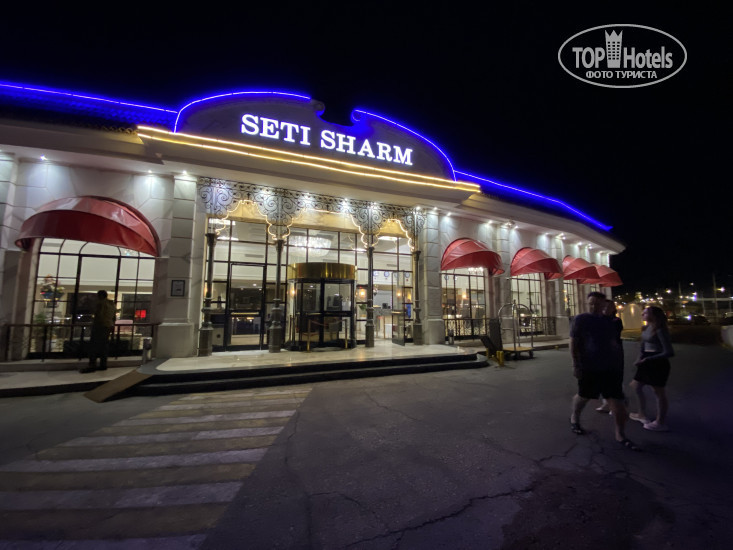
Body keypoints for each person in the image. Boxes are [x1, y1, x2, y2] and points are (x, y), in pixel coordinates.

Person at [569, 291, 639, 451]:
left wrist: (619, 366)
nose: (593, 306)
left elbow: (616, 344)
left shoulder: (611, 322)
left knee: (617, 402)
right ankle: (575, 418)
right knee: (584, 395)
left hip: (611, 368)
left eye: (597, 303)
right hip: (589, 366)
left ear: (604, 304)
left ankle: (620, 435)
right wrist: (576, 365)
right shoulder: (581, 319)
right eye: (591, 303)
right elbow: (573, 342)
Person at [629, 306, 674, 431]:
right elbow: (643, 346)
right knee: (635, 386)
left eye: (646, 312)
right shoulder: (646, 327)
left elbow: (669, 352)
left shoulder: (660, 330)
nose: (642, 314)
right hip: (646, 361)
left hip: (657, 363)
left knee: (658, 392)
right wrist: (639, 358)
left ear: (654, 315)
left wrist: (648, 359)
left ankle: (660, 422)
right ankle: (641, 414)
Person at [595, 299, 624, 413]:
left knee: (614, 379)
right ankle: (607, 403)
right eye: (604, 307)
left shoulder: (616, 320)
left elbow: (612, 334)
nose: (606, 309)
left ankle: (616, 404)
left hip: (614, 352)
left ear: (613, 309)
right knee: (603, 379)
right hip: (600, 352)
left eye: (609, 307)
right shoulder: (599, 319)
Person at [82, 290, 116, 373]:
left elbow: (99, 315)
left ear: (100, 296)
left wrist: (94, 324)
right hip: (108, 326)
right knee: (104, 346)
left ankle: (92, 365)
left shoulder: (101, 303)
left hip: (100, 327)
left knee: (94, 346)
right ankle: (103, 364)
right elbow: (113, 316)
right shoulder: (111, 304)